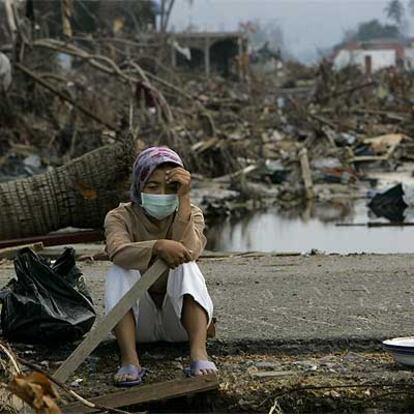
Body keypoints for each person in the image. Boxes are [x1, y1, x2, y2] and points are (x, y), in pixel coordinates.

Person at [104, 146, 217, 387]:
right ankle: (130, 360)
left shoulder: (192, 213)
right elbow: (117, 251)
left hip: (178, 323)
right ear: (139, 186)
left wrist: (184, 198)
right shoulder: (120, 216)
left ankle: (198, 354)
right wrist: (157, 246)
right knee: (120, 269)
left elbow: (191, 250)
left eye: (171, 188)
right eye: (153, 187)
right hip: (138, 324)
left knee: (187, 264)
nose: (162, 194)